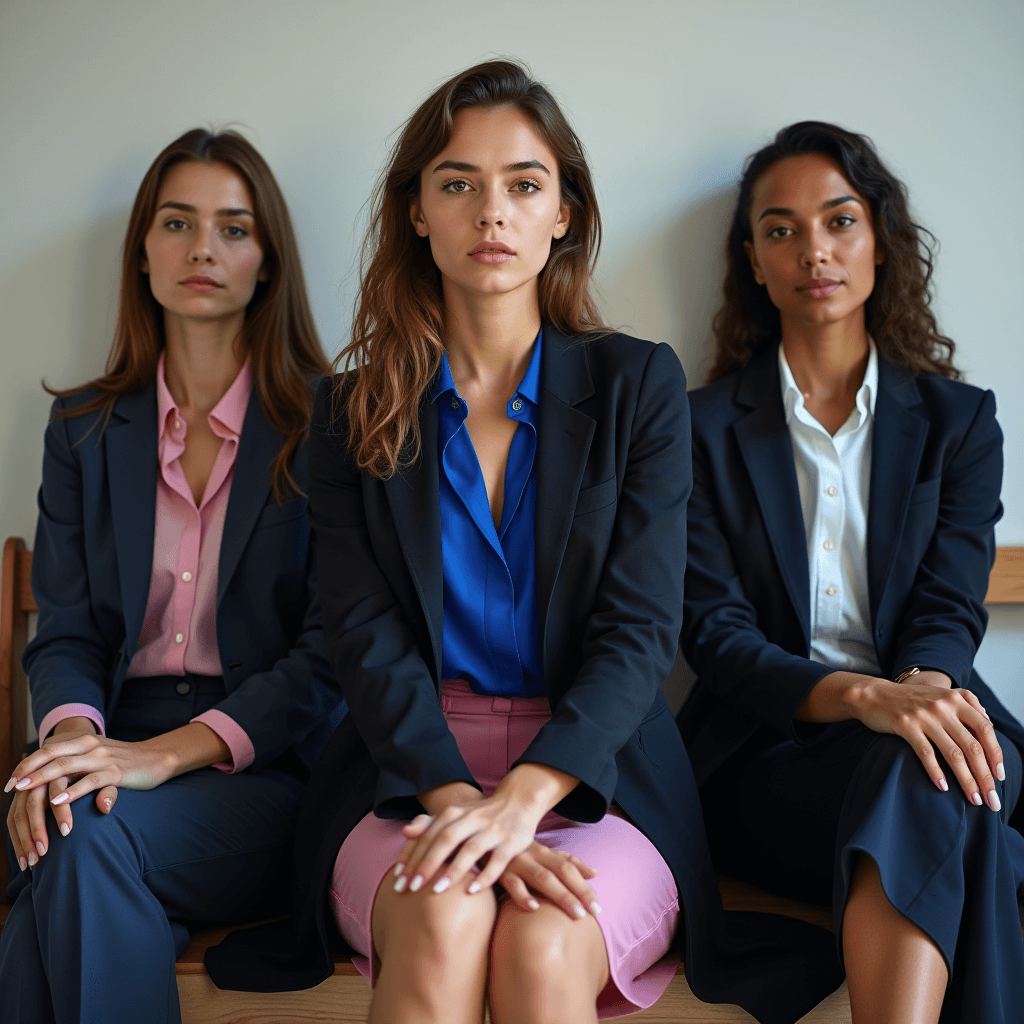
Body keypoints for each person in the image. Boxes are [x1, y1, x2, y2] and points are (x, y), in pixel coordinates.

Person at [208, 61, 841, 1024]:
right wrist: (461, 803)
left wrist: (524, 800)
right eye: (457, 183)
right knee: (446, 917)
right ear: (417, 212)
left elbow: (638, 629)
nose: (490, 212)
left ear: (565, 214)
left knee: (546, 945)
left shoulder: (639, 387)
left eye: (523, 184)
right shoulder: (350, 409)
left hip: (599, 771)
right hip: (406, 773)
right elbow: (363, 641)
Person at [677, 120, 1024, 1024]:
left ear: (879, 239)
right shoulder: (699, 430)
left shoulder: (958, 424)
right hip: (773, 759)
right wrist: (871, 700)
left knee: (935, 770)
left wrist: (920, 691)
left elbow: (950, 605)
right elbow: (718, 640)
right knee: (959, 812)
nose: (813, 251)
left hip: (940, 726)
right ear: (753, 260)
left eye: (839, 221)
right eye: (781, 229)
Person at [0, 128, 346, 1024]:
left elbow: (326, 659)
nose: (203, 248)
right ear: (143, 253)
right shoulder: (82, 428)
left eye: (234, 229)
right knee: (72, 849)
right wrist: (70, 746)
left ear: (267, 260)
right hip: (108, 742)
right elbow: (69, 630)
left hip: (260, 768)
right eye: (178, 222)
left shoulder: (328, 426)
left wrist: (157, 758)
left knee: (72, 855)